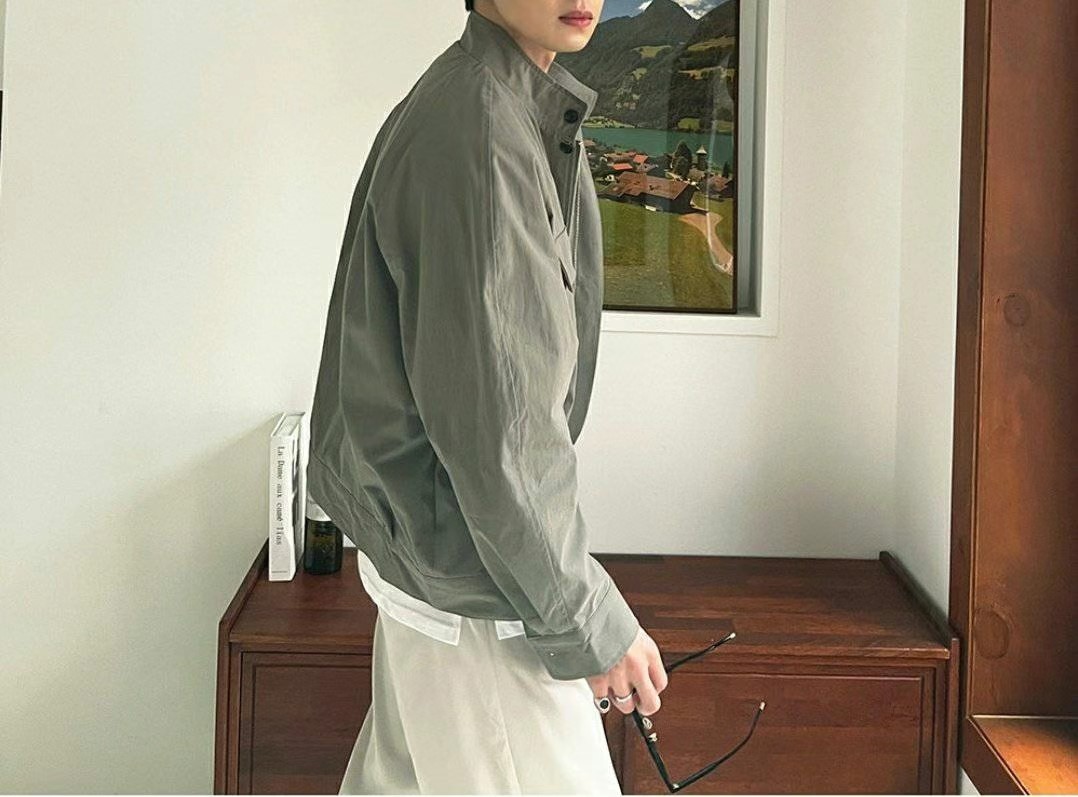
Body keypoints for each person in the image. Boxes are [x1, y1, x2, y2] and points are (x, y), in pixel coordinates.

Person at [306, 0, 668, 792]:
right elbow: (504, 431)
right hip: (479, 595)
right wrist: (587, 618)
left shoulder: (484, 101)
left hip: (443, 564)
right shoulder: (481, 130)